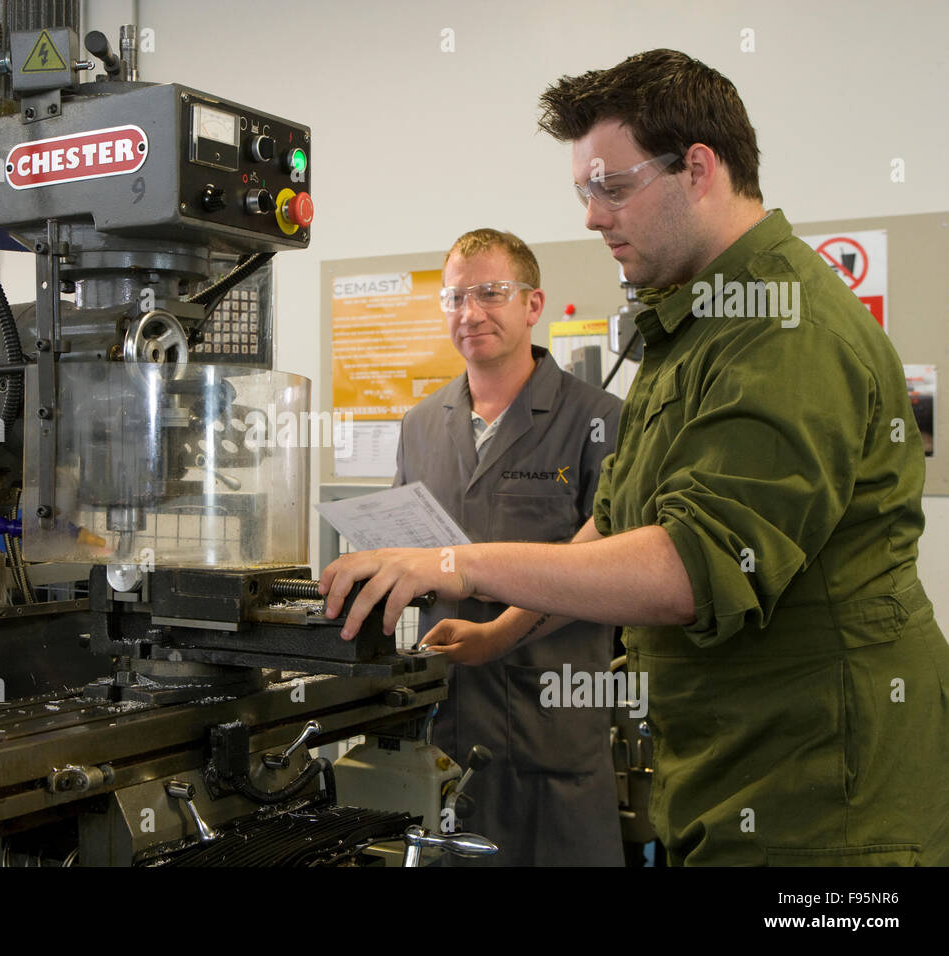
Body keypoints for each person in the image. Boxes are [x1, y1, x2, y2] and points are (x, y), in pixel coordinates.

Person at [319, 49, 949, 866]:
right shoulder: (693, 327)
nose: (591, 217)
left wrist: (459, 563)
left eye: (611, 188)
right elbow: (616, 523)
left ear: (697, 169)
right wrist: (500, 633)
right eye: (584, 191)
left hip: (824, 794)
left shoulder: (784, 331)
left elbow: (689, 566)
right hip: (730, 765)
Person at [395, 228, 623, 866]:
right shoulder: (419, 427)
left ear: (532, 304)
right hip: (447, 730)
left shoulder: (599, 420)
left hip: (552, 735)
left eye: (491, 293)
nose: (470, 313)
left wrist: (500, 634)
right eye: (455, 297)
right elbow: (406, 556)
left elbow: (608, 566)